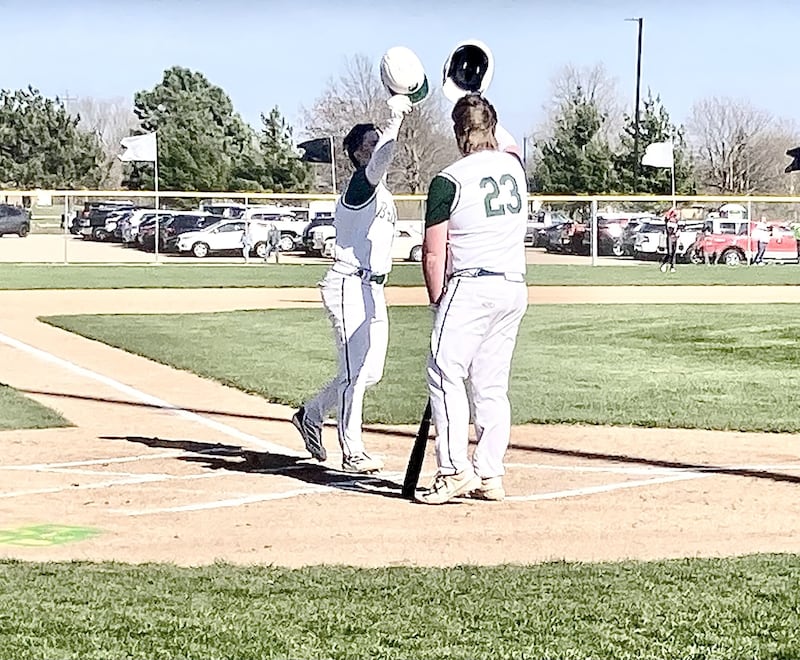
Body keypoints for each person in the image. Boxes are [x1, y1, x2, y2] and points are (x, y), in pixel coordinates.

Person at [415, 94, 528, 505]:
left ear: (459, 132)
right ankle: (490, 473)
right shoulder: (515, 166)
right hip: (513, 286)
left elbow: (433, 252)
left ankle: (452, 469)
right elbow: (509, 143)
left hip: (471, 285)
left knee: (444, 371)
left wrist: (435, 300)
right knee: (491, 385)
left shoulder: (448, 179)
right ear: (494, 127)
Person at [291, 93, 413, 473]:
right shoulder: (360, 187)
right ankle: (352, 450)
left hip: (374, 287)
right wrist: (394, 123)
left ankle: (311, 413)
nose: (377, 149)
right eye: (370, 144)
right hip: (347, 283)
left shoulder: (383, 193)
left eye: (379, 141)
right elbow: (381, 162)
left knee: (369, 372)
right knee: (355, 371)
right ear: (358, 155)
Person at [659, 208, 680, 273]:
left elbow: (678, 229)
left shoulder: (676, 222)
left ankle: (672, 266)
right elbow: (666, 216)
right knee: (669, 252)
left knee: (674, 253)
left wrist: (678, 233)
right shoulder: (668, 221)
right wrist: (671, 209)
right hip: (669, 237)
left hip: (675, 237)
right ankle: (664, 263)